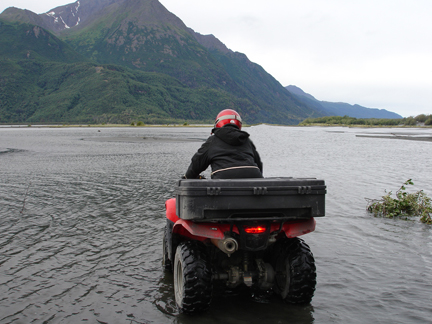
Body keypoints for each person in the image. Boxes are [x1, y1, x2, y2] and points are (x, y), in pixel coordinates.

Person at [184, 109, 263, 179]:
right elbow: (259, 164)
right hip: (254, 180)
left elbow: (197, 162)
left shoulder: (212, 141)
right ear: (239, 124)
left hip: (223, 184)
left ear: (218, 123)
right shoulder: (247, 140)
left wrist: (188, 177)